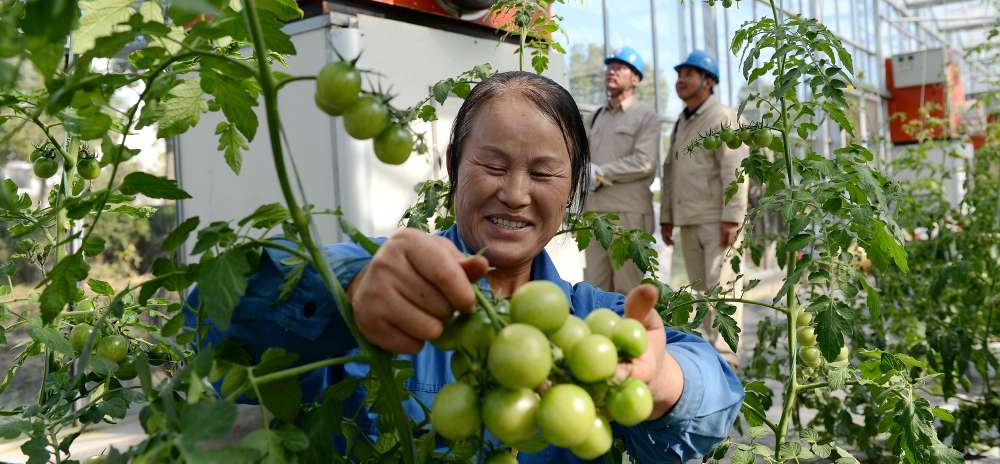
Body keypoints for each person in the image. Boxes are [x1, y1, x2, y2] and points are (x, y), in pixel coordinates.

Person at [190, 71, 743, 462]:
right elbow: (208, 320)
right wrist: (346, 287)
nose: (516, 193)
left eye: (545, 174)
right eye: (492, 164)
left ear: (574, 187)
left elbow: (714, 390)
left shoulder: (590, 318)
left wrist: (663, 379)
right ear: (455, 166)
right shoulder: (385, 282)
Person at [660, 51, 749, 369]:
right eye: (679, 74)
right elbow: (671, 171)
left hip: (717, 220)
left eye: (688, 74)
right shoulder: (682, 122)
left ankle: (728, 358)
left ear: (708, 81)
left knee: (723, 288)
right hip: (689, 219)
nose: (680, 80)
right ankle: (710, 356)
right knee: (701, 290)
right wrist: (667, 217)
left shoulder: (723, 118)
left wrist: (732, 216)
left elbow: (736, 170)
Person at [583, 47, 660, 293]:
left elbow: (644, 161)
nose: (611, 72)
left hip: (629, 215)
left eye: (620, 67)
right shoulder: (595, 117)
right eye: (609, 67)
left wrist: (601, 173)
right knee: (595, 289)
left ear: (635, 78)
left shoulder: (645, 116)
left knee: (629, 291)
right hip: (595, 215)